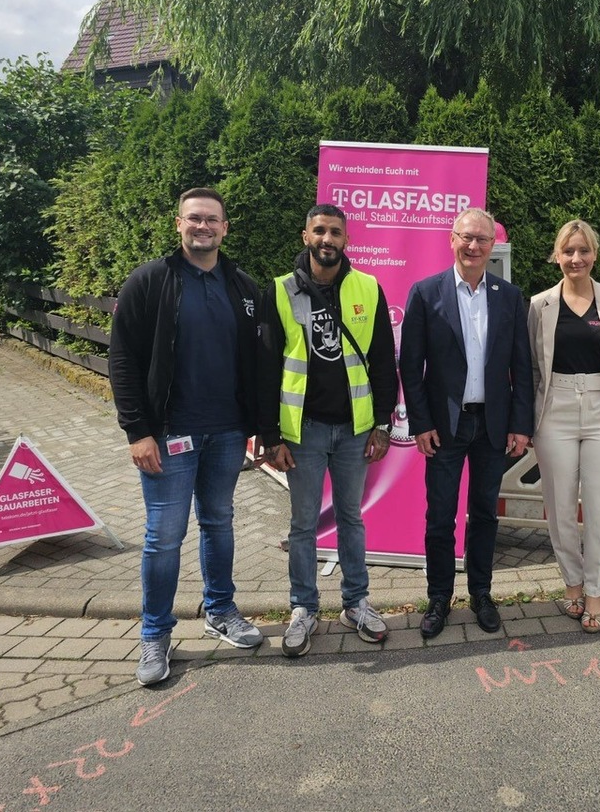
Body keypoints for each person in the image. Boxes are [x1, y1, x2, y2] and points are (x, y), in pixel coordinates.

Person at [109, 187, 263, 686]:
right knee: (163, 537)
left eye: (212, 220)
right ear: (179, 224)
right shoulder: (150, 282)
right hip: (169, 435)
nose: (203, 227)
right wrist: (138, 431)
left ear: (225, 227)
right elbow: (123, 360)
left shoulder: (243, 286)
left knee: (219, 522)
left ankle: (220, 610)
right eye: (194, 219)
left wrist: (258, 428)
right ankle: (155, 635)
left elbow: (258, 363)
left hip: (226, 433)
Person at [258, 204, 398, 656]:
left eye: (335, 232)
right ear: (305, 236)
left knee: (351, 518)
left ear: (346, 239)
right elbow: (264, 368)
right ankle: (303, 607)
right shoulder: (280, 291)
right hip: (304, 431)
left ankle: (356, 602)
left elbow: (382, 361)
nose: (327, 239)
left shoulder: (368, 288)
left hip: (355, 430)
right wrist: (270, 436)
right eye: (319, 230)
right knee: (302, 524)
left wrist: (380, 424)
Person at [399, 207, 533, 638]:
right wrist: (420, 423)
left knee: (484, 516)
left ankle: (481, 593)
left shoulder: (509, 296)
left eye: (482, 239)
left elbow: (521, 367)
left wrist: (520, 424)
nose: (473, 246)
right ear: (451, 239)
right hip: (444, 428)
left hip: (492, 427)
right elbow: (410, 366)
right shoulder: (425, 292)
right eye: (466, 238)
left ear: (493, 246)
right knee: (440, 517)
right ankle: (439, 597)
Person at [528, 220, 600, 633]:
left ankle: (597, 591)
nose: (576, 259)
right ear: (556, 256)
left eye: (583, 251)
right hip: (554, 407)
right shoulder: (539, 304)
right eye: (568, 251)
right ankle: (572, 583)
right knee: (559, 508)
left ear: (594, 254)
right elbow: (530, 369)